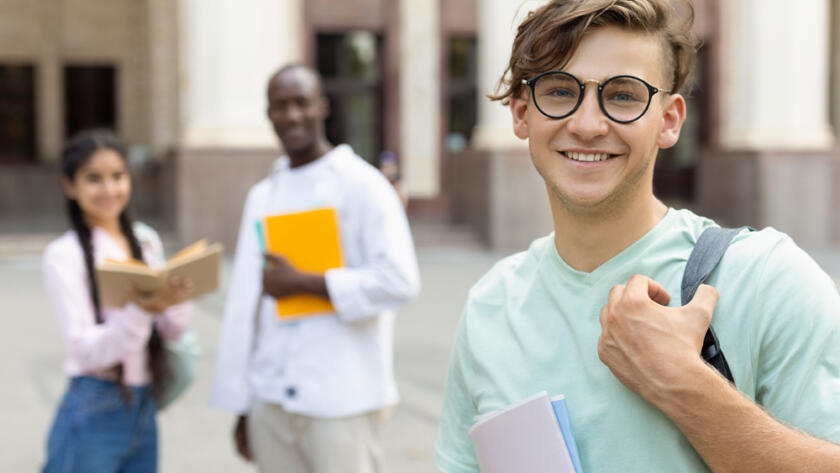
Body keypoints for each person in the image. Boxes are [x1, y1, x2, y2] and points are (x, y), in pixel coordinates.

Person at [435, 1, 840, 472]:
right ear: (522, 114)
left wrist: (686, 386)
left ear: (669, 120)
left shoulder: (765, 279)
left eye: (624, 96)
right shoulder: (492, 305)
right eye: (560, 92)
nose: (587, 125)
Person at [211, 64, 420, 473]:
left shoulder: (363, 185)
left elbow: (400, 281)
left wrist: (305, 283)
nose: (291, 115)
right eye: (280, 106)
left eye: (301, 103)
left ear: (322, 107)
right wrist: (243, 403)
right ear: (268, 114)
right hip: (270, 399)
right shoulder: (263, 194)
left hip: (340, 398)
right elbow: (243, 307)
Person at [41, 129, 192, 473]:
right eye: (94, 179)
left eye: (118, 176)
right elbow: (84, 349)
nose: (109, 190)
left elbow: (171, 332)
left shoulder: (146, 242)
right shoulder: (64, 255)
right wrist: (141, 311)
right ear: (69, 186)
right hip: (94, 404)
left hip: (144, 404)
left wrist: (179, 298)